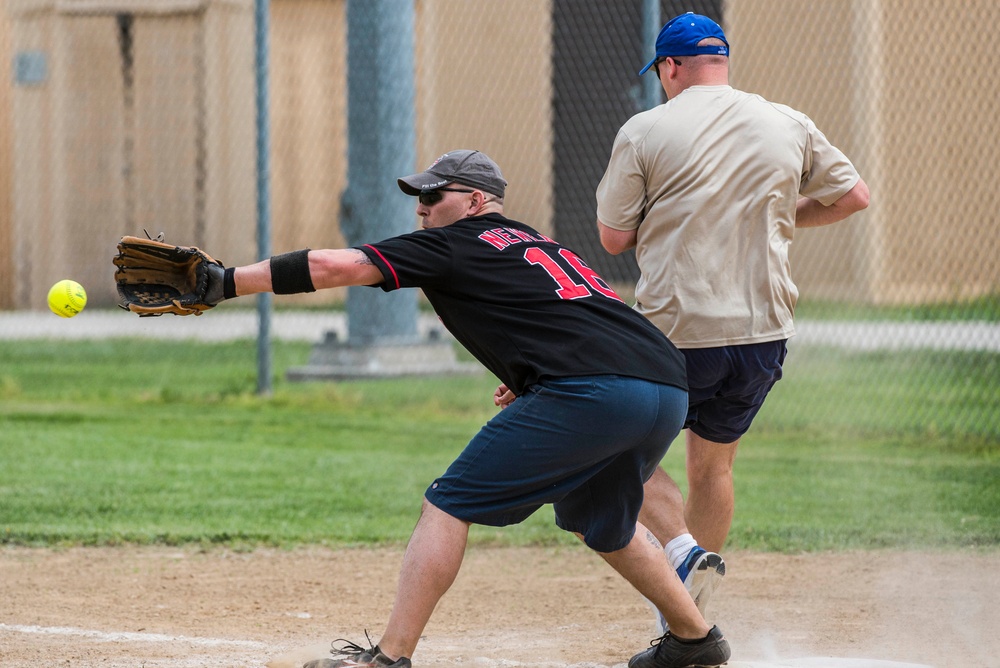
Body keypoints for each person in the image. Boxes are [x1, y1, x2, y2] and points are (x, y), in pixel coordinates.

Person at [203, 149, 731, 668]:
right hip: (661, 386)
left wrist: (224, 283)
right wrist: (529, 375)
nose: (422, 209)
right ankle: (694, 637)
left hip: (596, 390)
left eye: (433, 196)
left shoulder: (454, 244)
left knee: (448, 502)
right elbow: (561, 316)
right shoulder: (535, 238)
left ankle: (389, 657)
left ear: (476, 200)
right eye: (418, 198)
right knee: (599, 519)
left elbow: (334, 265)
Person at [595, 12, 871, 632]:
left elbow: (613, 239)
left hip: (677, 329)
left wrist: (676, 216)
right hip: (762, 330)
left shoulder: (645, 129)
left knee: (616, 449)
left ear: (669, 67)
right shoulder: (785, 120)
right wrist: (771, 216)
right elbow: (853, 196)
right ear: (720, 62)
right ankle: (686, 617)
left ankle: (683, 557)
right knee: (713, 468)